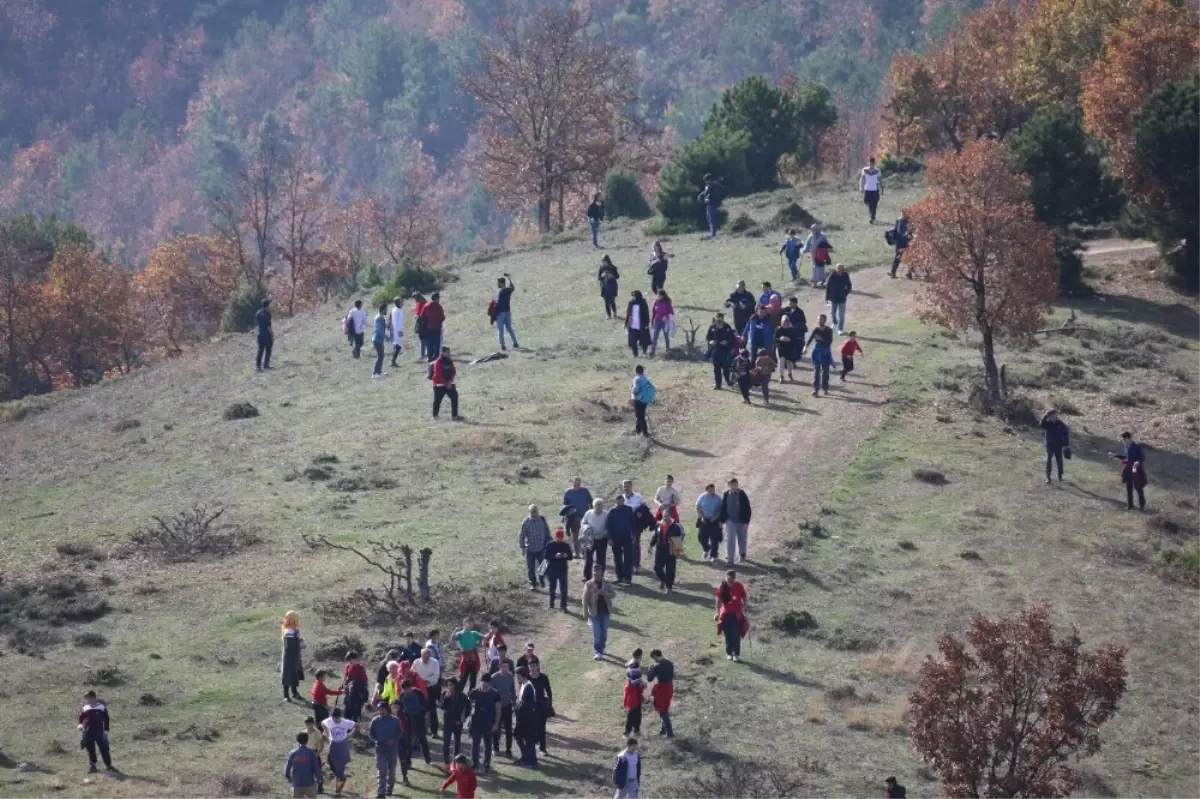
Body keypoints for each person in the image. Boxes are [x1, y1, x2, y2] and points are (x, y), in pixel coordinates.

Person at [370, 702, 406, 796]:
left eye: (383, 709)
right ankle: (381, 791)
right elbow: (371, 734)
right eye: (379, 709)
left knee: (391, 771)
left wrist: (393, 740)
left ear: (387, 709)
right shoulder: (375, 721)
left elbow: (400, 733)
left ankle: (389, 789)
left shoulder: (395, 720)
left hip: (392, 750)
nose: (381, 711)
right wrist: (376, 741)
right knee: (381, 771)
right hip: (380, 749)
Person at [468, 673, 501, 771]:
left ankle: (487, 763)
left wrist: (496, 724)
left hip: (488, 722)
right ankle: (475, 764)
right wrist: (469, 720)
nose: (484, 684)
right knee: (475, 743)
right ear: (480, 681)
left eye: (487, 682)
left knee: (488, 744)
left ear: (490, 683)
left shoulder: (495, 694)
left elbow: (498, 710)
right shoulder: (474, 692)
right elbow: (469, 708)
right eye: (483, 682)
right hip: (476, 722)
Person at [78, 691, 115, 774]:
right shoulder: (85, 707)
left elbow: (106, 719)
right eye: (86, 699)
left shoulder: (101, 707)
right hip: (88, 730)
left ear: (93, 698)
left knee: (104, 749)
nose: (86, 700)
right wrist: (80, 725)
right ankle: (92, 766)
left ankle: (108, 766)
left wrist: (106, 730)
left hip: (100, 731)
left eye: (88, 698)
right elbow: (80, 717)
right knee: (90, 749)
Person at [583, 567, 617, 660]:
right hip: (594, 613)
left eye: (598, 570)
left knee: (604, 632)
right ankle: (598, 651)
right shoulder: (589, 584)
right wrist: (585, 613)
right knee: (597, 633)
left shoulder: (607, 583)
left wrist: (604, 593)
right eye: (594, 570)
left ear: (601, 572)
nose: (595, 572)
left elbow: (613, 594)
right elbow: (585, 600)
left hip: (605, 612)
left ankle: (603, 647)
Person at [322, 707, 356, 795]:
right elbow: (323, 723)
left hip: (342, 745)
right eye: (334, 718)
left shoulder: (346, 722)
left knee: (340, 766)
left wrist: (350, 735)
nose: (335, 720)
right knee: (332, 764)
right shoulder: (328, 721)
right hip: (333, 744)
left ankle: (338, 788)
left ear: (340, 717)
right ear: (331, 716)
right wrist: (326, 733)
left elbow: (356, 726)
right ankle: (341, 778)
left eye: (337, 718)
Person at [719, 478, 752, 565]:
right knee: (730, 539)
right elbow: (723, 508)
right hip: (730, 521)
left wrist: (746, 522)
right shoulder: (726, 494)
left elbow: (748, 509)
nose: (734, 486)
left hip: (741, 521)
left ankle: (742, 555)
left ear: (737, 484)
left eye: (735, 484)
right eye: (732, 485)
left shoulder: (742, 494)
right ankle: (730, 560)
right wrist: (721, 520)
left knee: (742, 539)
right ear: (729, 486)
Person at [715, 576, 748, 662]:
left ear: (734, 579)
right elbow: (718, 601)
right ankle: (729, 653)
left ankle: (736, 654)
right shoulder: (722, 587)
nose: (730, 583)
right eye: (728, 580)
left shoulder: (739, 586)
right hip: (726, 614)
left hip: (737, 615)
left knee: (736, 635)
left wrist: (744, 606)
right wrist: (717, 613)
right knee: (728, 635)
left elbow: (744, 597)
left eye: (731, 581)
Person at [649, 509, 683, 591]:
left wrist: (677, 552)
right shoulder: (658, 525)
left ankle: (669, 586)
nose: (665, 518)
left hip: (670, 550)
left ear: (670, 516)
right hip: (660, 550)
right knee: (657, 568)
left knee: (670, 569)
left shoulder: (676, 527)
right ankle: (664, 580)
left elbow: (678, 539)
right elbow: (655, 536)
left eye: (667, 516)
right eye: (664, 516)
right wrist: (650, 545)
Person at [518, 504, 550, 591]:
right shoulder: (526, 522)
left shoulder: (542, 520)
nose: (534, 515)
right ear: (529, 513)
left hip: (541, 548)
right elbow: (522, 536)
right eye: (532, 513)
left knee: (543, 566)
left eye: (535, 513)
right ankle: (533, 583)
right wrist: (522, 548)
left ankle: (541, 578)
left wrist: (549, 544)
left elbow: (547, 532)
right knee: (530, 568)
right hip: (530, 549)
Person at [488, 659, 516, 758]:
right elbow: (491, 692)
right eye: (503, 666)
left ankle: (508, 750)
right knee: (496, 728)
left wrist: (514, 703)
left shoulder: (510, 676)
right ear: (499, 667)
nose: (505, 668)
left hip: (507, 706)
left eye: (507, 667)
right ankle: (495, 748)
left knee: (508, 729)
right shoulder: (494, 677)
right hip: (497, 707)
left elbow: (512, 691)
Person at [439, 679, 470, 768]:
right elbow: (442, 707)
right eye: (448, 685)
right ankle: (446, 763)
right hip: (448, 722)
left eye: (451, 685)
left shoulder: (462, 696)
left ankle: (456, 763)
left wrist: (463, 717)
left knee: (457, 743)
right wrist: (446, 698)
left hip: (457, 723)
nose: (449, 687)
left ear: (455, 686)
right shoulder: (445, 694)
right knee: (446, 743)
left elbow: (468, 707)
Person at [399, 679, 431, 765]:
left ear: (410, 687)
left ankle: (427, 758)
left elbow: (425, 706)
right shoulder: (402, 695)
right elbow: (401, 708)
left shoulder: (418, 693)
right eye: (403, 689)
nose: (405, 691)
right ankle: (408, 761)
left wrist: (426, 718)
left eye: (406, 689)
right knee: (408, 741)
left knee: (422, 739)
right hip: (408, 720)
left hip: (419, 719)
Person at [413, 647, 442, 737]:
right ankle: (421, 729)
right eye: (423, 657)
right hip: (418, 689)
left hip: (430, 688)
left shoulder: (435, 663)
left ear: (430, 656)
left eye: (427, 657)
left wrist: (427, 681)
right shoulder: (416, 662)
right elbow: (412, 672)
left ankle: (434, 731)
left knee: (432, 709)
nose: (425, 659)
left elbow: (436, 676)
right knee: (419, 709)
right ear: (421, 656)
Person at [607, 495, 636, 584]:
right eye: (618, 501)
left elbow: (633, 523)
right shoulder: (612, 511)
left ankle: (628, 578)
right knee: (617, 558)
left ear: (624, 501)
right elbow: (608, 526)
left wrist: (634, 535)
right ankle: (619, 577)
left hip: (627, 537)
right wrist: (609, 538)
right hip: (615, 538)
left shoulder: (628, 510)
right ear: (616, 501)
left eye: (622, 501)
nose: (620, 503)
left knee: (628, 558)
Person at [513, 667, 539, 767]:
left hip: (527, 718)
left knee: (528, 739)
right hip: (523, 717)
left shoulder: (528, 686)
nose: (516, 678)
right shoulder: (524, 685)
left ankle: (530, 760)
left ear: (520, 675)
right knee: (519, 736)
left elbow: (524, 704)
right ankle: (526, 757)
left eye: (517, 676)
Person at [562, 477, 593, 556]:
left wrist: (592, 513)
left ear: (580, 484)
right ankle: (576, 552)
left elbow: (591, 502)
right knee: (575, 535)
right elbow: (565, 505)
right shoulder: (568, 492)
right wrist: (567, 513)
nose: (577, 486)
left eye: (578, 484)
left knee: (584, 535)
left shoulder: (585, 491)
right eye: (575, 484)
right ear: (572, 483)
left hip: (584, 516)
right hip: (573, 517)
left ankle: (584, 551)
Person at [1115, 432, 1147, 510]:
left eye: (1125, 439)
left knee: (1138, 487)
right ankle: (1130, 505)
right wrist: (1117, 456)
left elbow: (1142, 458)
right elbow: (1126, 457)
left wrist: (1137, 462)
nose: (1124, 441)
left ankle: (1142, 505)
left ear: (1129, 438)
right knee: (1129, 488)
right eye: (1123, 440)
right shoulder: (1126, 447)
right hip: (1128, 469)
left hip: (1136, 469)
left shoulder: (1137, 447)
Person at [544, 527, 574, 611]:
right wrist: (555, 556)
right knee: (552, 587)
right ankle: (551, 603)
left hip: (562, 569)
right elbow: (546, 556)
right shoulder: (550, 545)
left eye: (561, 537)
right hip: (552, 569)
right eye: (558, 537)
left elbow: (571, 557)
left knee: (563, 588)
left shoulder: (565, 545)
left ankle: (563, 606)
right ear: (555, 536)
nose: (559, 539)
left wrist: (566, 555)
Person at [285, 731, 321, 799]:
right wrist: (319, 779)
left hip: (297, 784)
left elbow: (288, 767)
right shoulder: (311, 753)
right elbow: (315, 768)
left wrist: (288, 777)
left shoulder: (292, 753)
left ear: (297, 740)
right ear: (307, 741)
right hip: (309, 784)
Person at [647, 649, 675, 738]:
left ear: (655, 656)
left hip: (662, 690)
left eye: (653, 658)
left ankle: (669, 733)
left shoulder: (657, 666)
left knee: (663, 711)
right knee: (664, 709)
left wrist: (650, 669)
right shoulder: (670, 663)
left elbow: (649, 679)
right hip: (669, 688)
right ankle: (663, 730)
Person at [528, 661, 554, 754]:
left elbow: (549, 692)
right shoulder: (527, 678)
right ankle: (534, 743)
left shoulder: (543, 677)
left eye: (534, 666)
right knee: (533, 727)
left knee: (542, 728)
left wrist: (550, 705)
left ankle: (542, 748)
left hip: (541, 705)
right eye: (530, 666)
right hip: (531, 706)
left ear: (537, 666)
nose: (532, 668)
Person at [582, 498, 610, 581]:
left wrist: (605, 533)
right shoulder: (588, 513)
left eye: (600, 506)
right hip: (590, 540)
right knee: (588, 559)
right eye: (596, 506)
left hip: (602, 539)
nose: (598, 508)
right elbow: (583, 522)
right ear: (593, 506)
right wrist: (587, 528)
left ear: (602, 506)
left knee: (601, 559)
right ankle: (587, 577)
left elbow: (609, 526)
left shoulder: (606, 514)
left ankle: (600, 577)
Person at [706, 312, 736, 389]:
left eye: (720, 320)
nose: (718, 322)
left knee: (726, 367)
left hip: (725, 350)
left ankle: (728, 380)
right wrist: (710, 341)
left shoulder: (727, 327)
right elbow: (708, 337)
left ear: (723, 319)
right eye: (717, 320)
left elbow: (732, 338)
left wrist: (727, 342)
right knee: (716, 368)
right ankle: (718, 385)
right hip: (715, 350)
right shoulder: (712, 327)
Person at [430, 345, 461, 421]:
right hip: (439, 385)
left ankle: (454, 416)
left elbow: (453, 371)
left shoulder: (449, 360)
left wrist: (450, 381)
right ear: (442, 353)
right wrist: (446, 383)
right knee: (437, 401)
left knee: (455, 397)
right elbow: (438, 375)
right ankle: (435, 415)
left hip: (449, 383)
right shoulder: (438, 362)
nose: (449, 353)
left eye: (449, 352)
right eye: (447, 352)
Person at [1039, 409, 1070, 484]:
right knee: (1048, 461)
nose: (1053, 417)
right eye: (1052, 416)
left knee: (1059, 461)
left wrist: (1066, 445)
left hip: (1059, 445)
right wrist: (1045, 415)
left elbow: (1066, 433)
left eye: (1055, 416)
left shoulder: (1060, 424)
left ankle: (1060, 476)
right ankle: (1048, 477)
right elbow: (1041, 424)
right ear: (1049, 417)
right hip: (1049, 445)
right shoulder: (1047, 424)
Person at [453, 620, 484, 692]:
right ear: (464, 624)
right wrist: (454, 631)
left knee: (473, 678)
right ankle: (458, 694)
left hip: (473, 657)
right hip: (464, 658)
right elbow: (453, 640)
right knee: (463, 677)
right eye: (468, 623)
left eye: (471, 623)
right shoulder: (459, 634)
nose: (470, 625)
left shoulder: (474, 633)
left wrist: (480, 642)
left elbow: (483, 637)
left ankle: (471, 696)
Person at [807, 313, 834, 397]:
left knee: (825, 371)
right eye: (818, 319)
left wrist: (821, 339)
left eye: (821, 319)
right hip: (817, 352)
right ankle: (816, 389)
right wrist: (806, 347)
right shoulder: (816, 329)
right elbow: (810, 338)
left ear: (825, 320)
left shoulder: (829, 330)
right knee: (817, 371)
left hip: (825, 352)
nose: (820, 321)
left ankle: (825, 388)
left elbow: (829, 341)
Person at [695, 483, 723, 562]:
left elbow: (720, 509)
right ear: (707, 490)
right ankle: (706, 549)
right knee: (701, 537)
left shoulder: (718, 498)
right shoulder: (702, 496)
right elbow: (697, 507)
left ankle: (713, 555)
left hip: (714, 520)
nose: (712, 491)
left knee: (715, 539)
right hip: (704, 520)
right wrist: (701, 517)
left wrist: (715, 517)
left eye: (713, 489)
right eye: (710, 489)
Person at [281, 611, 305, 702]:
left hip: (295, 656)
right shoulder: (288, 632)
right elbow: (290, 646)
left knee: (295, 674)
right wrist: (299, 643)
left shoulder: (295, 631)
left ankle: (295, 693)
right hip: (289, 657)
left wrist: (302, 642)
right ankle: (286, 695)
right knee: (287, 675)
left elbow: (299, 641)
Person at [493, 273, 519, 350]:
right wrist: (509, 279)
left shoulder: (501, 293)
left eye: (498, 283)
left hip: (501, 314)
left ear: (501, 283)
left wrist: (494, 313)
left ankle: (503, 346)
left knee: (500, 330)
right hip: (508, 312)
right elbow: (513, 287)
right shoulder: (508, 290)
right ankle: (515, 343)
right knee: (509, 328)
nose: (497, 284)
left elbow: (498, 304)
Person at [418, 291, 446, 361]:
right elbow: (443, 317)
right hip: (437, 328)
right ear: (437, 298)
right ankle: (436, 357)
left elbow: (421, 316)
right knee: (437, 343)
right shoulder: (438, 306)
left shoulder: (426, 306)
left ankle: (429, 357)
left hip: (428, 328)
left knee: (430, 343)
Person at [343, 650, 370, 723]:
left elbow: (365, 679)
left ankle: (355, 726)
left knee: (356, 709)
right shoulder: (348, 666)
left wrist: (364, 691)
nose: (350, 662)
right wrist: (343, 685)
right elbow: (346, 677)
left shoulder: (360, 668)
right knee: (347, 708)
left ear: (355, 659)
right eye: (349, 660)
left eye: (351, 660)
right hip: (349, 690)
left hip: (358, 691)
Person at [825, 264, 852, 334]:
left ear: (843, 269)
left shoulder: (845, 275)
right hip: (833, 298)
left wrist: (846, 293)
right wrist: (827, 298)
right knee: (832, 313)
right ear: (836, 269)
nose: (840, 271)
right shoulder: (832, 276)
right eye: (838, 269)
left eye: (841, 269)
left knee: (841, 315)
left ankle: (840, 329)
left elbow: (849, 285)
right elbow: (828, 287)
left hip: (842, 298)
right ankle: (834, 322)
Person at [303, 717, 327, 796]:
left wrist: (317, 754)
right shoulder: (304, 732)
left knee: (317, 772)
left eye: (310, 724)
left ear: (313, 723)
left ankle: (320, 788)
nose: (308, 726)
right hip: (305, 753)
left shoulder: (317, 733)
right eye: (307, 724)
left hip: (314, 753)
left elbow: (322, 745)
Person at [630, 364, 654, 438]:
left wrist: (632, 392)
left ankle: (645, 432)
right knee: (640, 415)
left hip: (639, 400)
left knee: (640, 416)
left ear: (636, 371)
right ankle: (638, 430)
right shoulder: (646, 378)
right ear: (642, 371)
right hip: (645, 400)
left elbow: (636, 389)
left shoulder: (636, 379)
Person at [625, 290, 650, 357]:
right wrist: (626, 323)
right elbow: (628, 313)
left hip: (642, 324)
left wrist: (647, 324)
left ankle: (645, 351)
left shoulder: (643, 303)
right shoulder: (631, 303)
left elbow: (646, 314)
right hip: (633, 325)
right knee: (633, 340)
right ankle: (635, 354)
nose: (632, 297)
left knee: (644, 339)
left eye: (634, 296)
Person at [774, 314, 800, 381]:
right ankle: (781, 376)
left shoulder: (792, 330)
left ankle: (790, 373)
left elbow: (796, 340)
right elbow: (774, 339)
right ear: (781, 322)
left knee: (790, 363)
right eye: (784, 322)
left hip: (789, 348)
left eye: (787, 322)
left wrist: (790, 340)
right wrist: (780, 339)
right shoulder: (778, 329)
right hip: (780, 348)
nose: (785, 323)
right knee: (781, 362)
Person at [697, 173, 723, 238]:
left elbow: (715, 195)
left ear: (709, 180)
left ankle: (713, 234)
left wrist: (709, 198)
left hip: (713, 204)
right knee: (709, 219)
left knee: (712, 219)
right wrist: (701, 195)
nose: (705, 182)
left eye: (706, 180)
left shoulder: (715, 185)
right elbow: (705, 192)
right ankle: (712, 233)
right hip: (709, 204)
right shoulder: (709, 186)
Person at [887, 210, 912, 278]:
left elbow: (911, 230)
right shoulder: (898, 220)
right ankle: (893, 272)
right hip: (899, 242)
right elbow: (896, 229)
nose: (903, 214)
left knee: (910, 257)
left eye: (904, 213)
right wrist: (890, 232)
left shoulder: (909, 221)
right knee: (897, 257)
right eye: (902, 213)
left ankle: (909, 273)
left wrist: (909, 235)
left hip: (907, 241)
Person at [649, 290, 674, 356]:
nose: (658, 296)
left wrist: (666, 317)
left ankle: (667, 350)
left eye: (659, 295)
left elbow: (671, 312)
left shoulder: (667, 302)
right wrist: (652, 322)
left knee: (666, 337)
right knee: (655, 337)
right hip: (657, 321)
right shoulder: (656, 302)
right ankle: (652, 351)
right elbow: (653, 313)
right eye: (657, 295)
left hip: (665, 322)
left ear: (663, 296)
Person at [622, 665, 645, 735]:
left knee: (638, 716)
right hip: (632, 703)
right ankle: (627, 732)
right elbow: (629, 695)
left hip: (637, 701)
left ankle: (636, 730)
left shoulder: (635, 683)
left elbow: (639, 690)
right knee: (630, 718)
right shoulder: (629, 686)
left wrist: (642, 686)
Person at [860, 156, 883, 223]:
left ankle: (872, 217)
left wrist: (882, 188)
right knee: (866, 202)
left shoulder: (877, 171)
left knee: (874, 204)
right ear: (868, 163)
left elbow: (880, 180)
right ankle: (872, 214)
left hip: (875, 190)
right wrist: (861, 187)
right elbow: (862, 179)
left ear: (874, 163)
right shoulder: (865, 170)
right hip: (867, 189)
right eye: (870, 163)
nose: (871, 165)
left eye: (872, 164)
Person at [255, 298, 273, 371]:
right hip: (267, 335)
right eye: (269, 305)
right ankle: (266, 364)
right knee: (268, 349)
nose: (270, 306)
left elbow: (257, 324)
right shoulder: (267, 313)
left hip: (260, 334)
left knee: (260, 350)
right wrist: (272, 334)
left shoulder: (258, 313)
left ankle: (258, 366)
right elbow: (268, 326)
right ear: (267, 306)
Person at [371, 303, 388, 378]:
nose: (386, 310)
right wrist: (385, 336)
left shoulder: (379, 317)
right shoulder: (380, 318)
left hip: (378, 339)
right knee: (380, 356)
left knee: (381, 356)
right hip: (378, 339)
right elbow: (379, 330)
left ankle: (379, 372)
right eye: (386, 309)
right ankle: (375, 373)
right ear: (383, 309)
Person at [411, 291, 429, 359]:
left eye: (414, 298)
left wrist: (416, 315)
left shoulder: (421, 303)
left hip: (422, 323)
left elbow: (419, 313)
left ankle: (425, 353)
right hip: (424, 322)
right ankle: (424, 354)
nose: (414, 300)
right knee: (423, 339)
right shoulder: (423, 302)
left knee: (423, 339)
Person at [389, 296, 405, 367]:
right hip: (397, 330)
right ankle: (393, 361)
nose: (402, 302)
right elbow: (395, 322)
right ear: (397, 302)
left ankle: (393, 361)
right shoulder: (395, 310)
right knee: (399, 346)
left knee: (397, 345)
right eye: (400, 301)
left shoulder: (399, 309)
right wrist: (399, 331)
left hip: (398, 329)